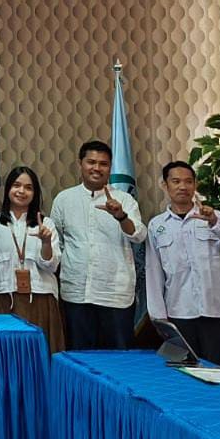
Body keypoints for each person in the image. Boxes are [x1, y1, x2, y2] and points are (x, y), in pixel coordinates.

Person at [145, 161, 220, 367]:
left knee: (219, 370)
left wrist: (215, 223)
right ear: (165, 185)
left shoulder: (215, 217)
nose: (183, 186)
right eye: (176, 181)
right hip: (179, 313)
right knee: (184, 372)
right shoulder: (157, 225)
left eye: (188, 181)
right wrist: (159, 317)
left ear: (195, 185)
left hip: (216, 311)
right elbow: (153, 272)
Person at [52, 141, 147, 349]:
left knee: (119, 359)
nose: (97, 168)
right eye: (91, 162)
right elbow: (57, 243)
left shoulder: (124, 199)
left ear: (110, 167)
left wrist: (121, 216)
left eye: (103, 164)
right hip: (76, 293)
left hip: (115, 293)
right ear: (80, 163)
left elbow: (139, 236)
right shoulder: (64, 199)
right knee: (81, 358)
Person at [0, 167, 64, 351]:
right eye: (16, 185)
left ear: (35, 193)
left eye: (28, 187)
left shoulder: (46, 224)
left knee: (39, 353)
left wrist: (46, 242)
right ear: (8, 189)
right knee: (5, 353)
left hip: (40, 299)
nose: (21, 191)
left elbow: (52, 266)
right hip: (3, 298)